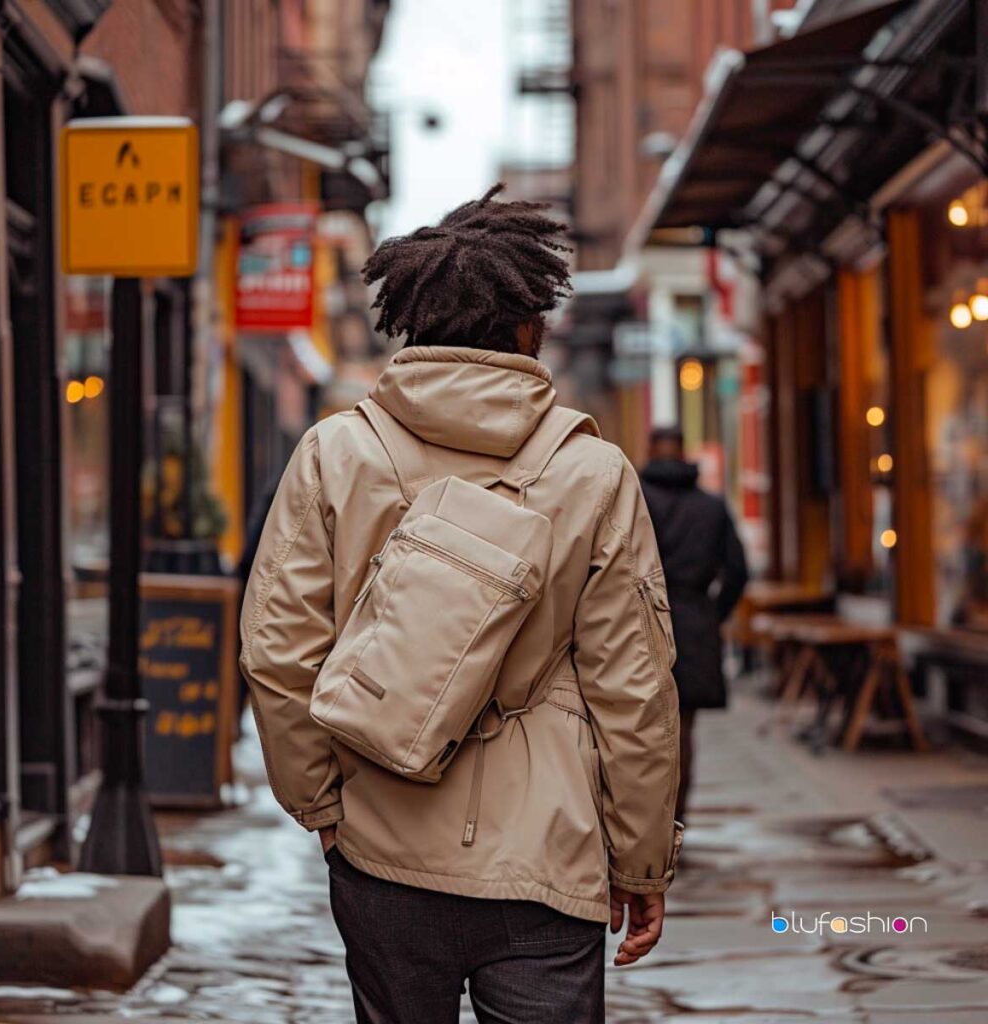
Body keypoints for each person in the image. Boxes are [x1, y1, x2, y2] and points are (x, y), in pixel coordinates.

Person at [240, 185, 682, 1023]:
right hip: (545, 863)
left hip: (380, 850)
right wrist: (641, 861)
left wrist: (324, 810)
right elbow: (634, 688)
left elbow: (278, 652)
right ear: (529, 325)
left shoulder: (339, 452)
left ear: (412, 319)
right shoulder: (592, 473)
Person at [640, 427, 748, 822]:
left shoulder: (633, 499)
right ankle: (676, 819)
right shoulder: (711, 507)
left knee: (637, 731)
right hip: (694, 627)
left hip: (639, 626)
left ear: (651, 450)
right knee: (682, 732)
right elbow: (737, 571)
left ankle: (645, 823)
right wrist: (711, 613)